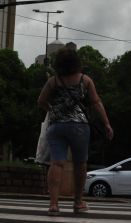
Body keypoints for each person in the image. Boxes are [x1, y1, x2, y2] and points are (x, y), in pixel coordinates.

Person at [37, 43, 113, 216]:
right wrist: (107, 123)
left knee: (56, 163)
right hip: (79, 127)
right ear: (76, 62)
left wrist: (53, 110)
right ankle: (78, 202)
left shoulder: (53, 81)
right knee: (80, 164)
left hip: (56, 126)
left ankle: (54, 204)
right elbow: (96, 102)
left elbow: (40, 101)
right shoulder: (85, 80)